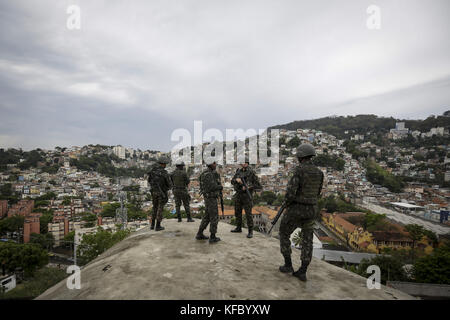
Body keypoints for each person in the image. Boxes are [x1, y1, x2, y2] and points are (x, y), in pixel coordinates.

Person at [278, 143, 324, 281]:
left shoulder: (299, 171)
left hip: (297, 210)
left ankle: (288, 264)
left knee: (284, 232)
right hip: (311, 210)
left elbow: (291, 193)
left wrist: (286, 204)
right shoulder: (319, 173)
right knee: (307, 240)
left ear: (300, 156)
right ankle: (303, 270)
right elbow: (318, 192)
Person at [230, 159, 262, 238]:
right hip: (238, 194)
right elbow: (232, 181)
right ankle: (238, 227)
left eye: (244, 162)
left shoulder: (251, 172)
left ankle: (250, 231)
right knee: (237, 212)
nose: (242, 163)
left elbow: (258, 185)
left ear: (247, 163)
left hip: (247, 195)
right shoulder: (238, 171)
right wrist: (237, 180)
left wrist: (248, 186)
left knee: (248, 214)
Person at [196, 159, 223, 243]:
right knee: (214, 217)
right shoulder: (208, 174)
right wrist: (219, 187)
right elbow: (211, 187)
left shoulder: (205, 173)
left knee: (207, 217)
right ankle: (213, 236)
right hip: (211, 198)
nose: (215, 165)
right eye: (214, 163)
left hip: (208, 197)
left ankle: (199, 233)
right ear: (210, 164)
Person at [147, 156, 172, 231]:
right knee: (160, 208)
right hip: (161, 193)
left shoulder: (153, 171)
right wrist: (166, 188)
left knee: (154, 207)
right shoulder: (164, 173)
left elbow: (149, 180)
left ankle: (152, 225)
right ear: (163, 164)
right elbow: (169, 184)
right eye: (165, 164)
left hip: (153, 192)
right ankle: (158, 226)